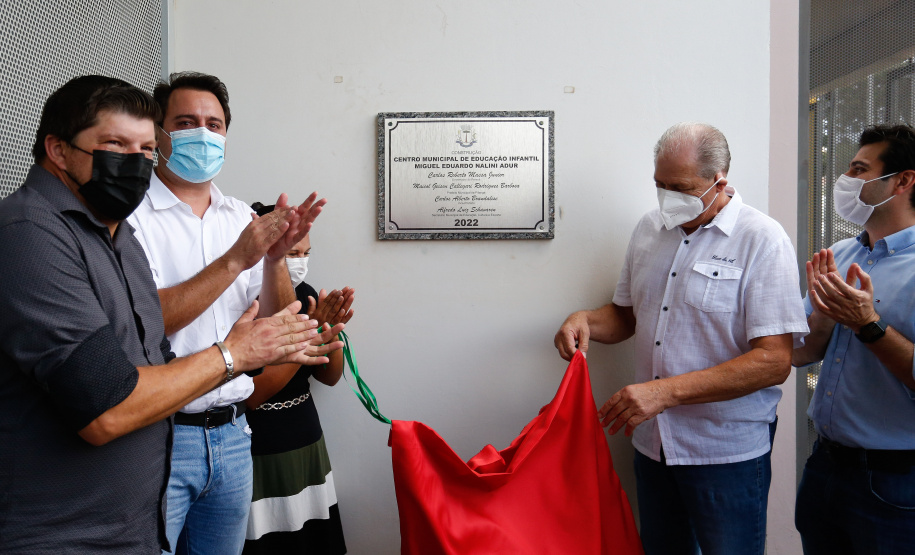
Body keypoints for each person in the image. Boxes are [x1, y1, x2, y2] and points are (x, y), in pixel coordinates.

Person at [0, 75, 336, 553]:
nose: (132, 163)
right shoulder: (41, 230)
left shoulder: (117, 231)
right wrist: (233, 347)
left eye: (140, 152)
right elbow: (108, 401)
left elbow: (146, 340)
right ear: (58, 150)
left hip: (215, 441)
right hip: (80, 510)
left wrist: (275, 260)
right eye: (116, 145)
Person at [554, 122, 808, 555]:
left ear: (718, 181)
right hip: (654, 446)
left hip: (724, 452)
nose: (666, 196)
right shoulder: (649, 230)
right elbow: (626, 316)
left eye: (680, 186)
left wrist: (665, 392)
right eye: (659, 184)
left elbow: (773, 361)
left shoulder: (762, 240)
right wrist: (585, 321)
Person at [127, 71, 342, 555]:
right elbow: (145, 324)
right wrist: (236, 260)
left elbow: (278, 319)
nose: (203, 134)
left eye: (214, 124)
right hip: (160, 438)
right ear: (159, 135)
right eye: (185, 122)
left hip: (232, 436)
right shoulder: (130, 217)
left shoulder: (240, 217)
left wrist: (273, 259)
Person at [793, 124, 915, 554]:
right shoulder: (841, 255)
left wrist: (869, 324)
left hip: (896, 481)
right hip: (825, 464)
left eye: (859, 169)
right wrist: (824, 318)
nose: (845, 181)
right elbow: (803, 352)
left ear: (902, 180)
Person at [243, 203, 354, 554]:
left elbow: (330, 378)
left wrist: (327, 329)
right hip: (258, 444)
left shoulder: (307, 293)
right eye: (292, 253)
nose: (301, 261)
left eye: (306, 253)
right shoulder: (240, 302)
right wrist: (307, 337)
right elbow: (251, 395)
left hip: (303, 435)